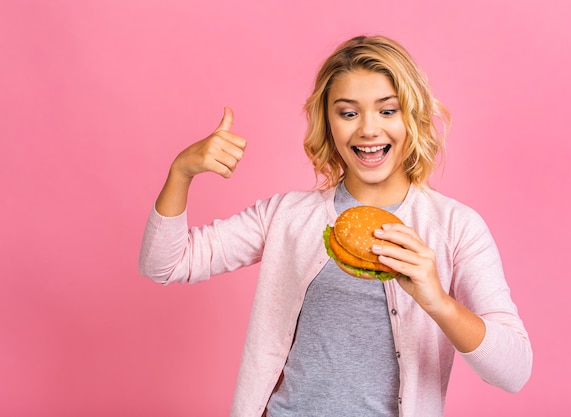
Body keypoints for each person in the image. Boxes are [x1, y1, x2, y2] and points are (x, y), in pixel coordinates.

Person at [139, 35, 532, 417]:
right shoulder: (288, 216)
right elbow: (166, 264)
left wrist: (438, 302)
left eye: (387, 110)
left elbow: (514, 371)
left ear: (412, 118)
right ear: (328, 124)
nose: (368, 129)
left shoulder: (454, 228)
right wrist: (182, 172)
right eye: (348, 112)